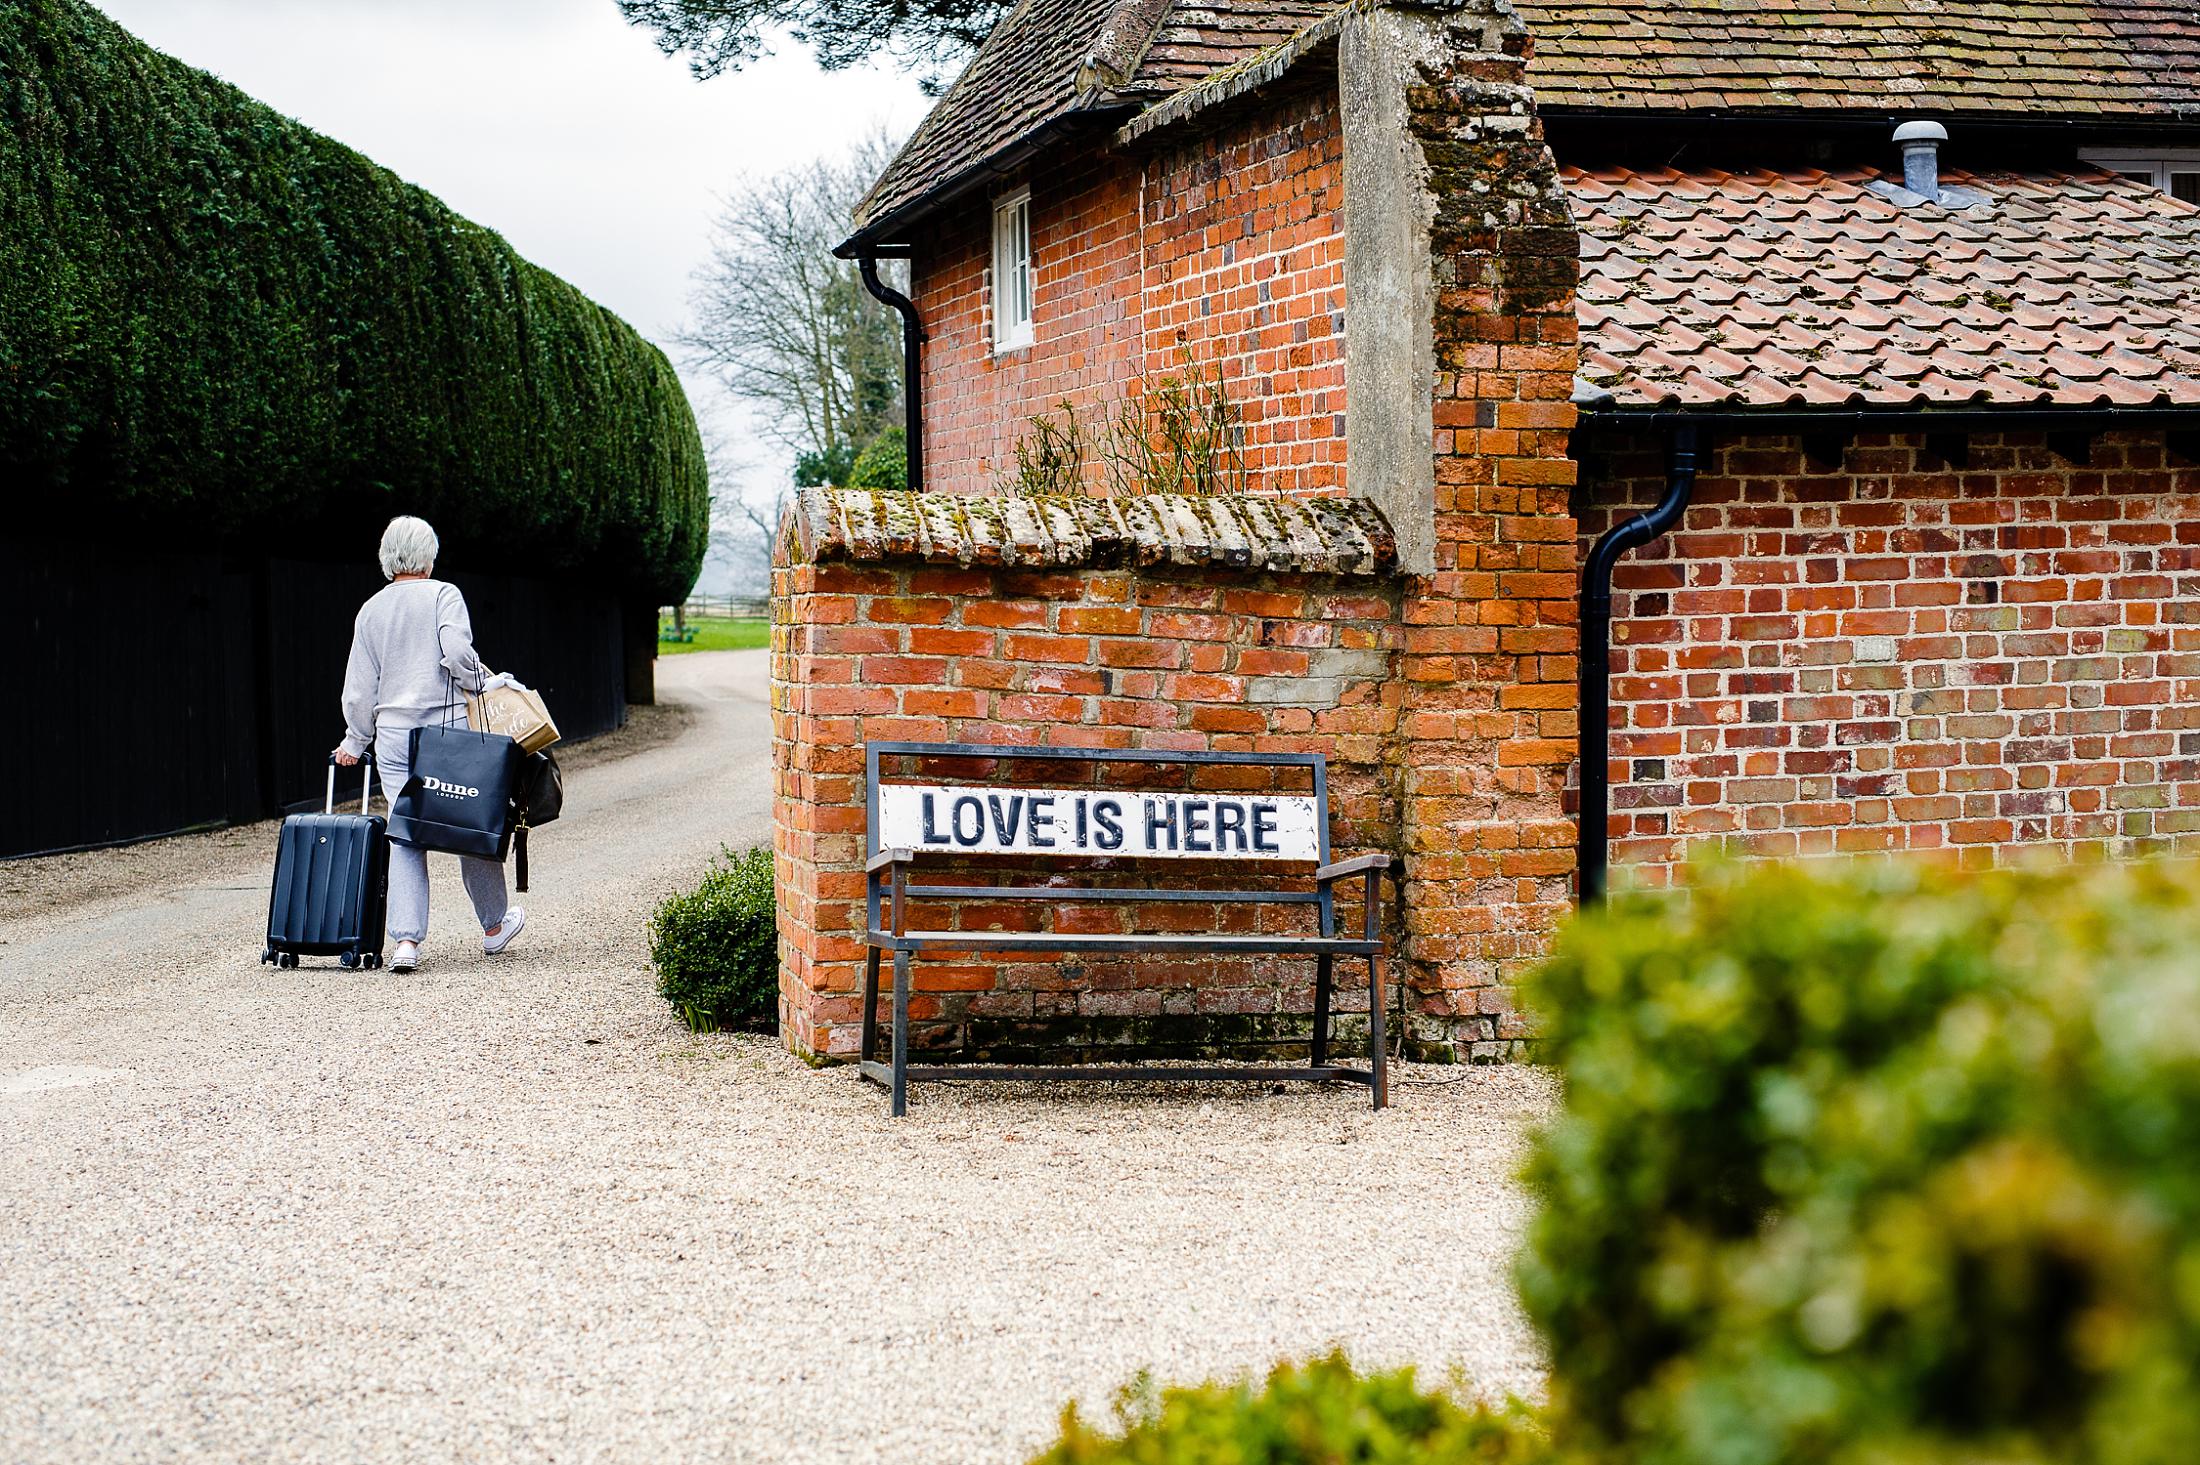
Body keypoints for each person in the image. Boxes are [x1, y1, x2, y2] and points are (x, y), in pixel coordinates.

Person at [333, 516, 524, 973]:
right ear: (429, 554)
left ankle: (405, 943)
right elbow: (456, 652)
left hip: (395, 735)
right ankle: (494, 927)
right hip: (447, 732)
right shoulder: (444, 595)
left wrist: (355, 740)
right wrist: (482, 682)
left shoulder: (371, 610)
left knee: (407, 832)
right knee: (467, 823)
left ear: (387, 557)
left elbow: (359, 689)